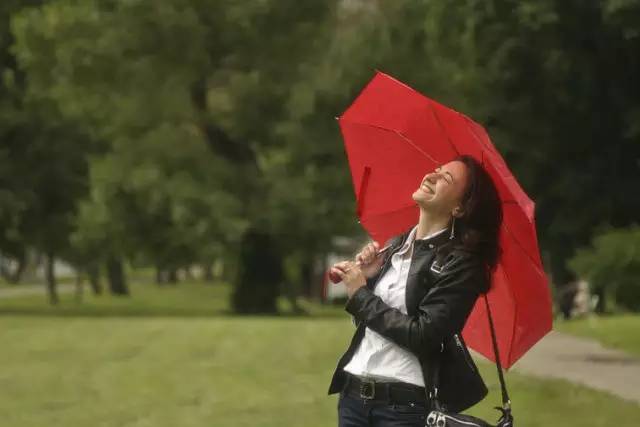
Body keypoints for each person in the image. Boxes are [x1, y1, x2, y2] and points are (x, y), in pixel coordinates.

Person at [327, 154, 503, 427]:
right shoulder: (396, 247)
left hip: (402, 409)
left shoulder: (462, 264)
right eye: (436, 169)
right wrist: (370, 279)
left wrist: (361, 294)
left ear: (460, 208)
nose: (431, 175)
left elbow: (424, 334)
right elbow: (372, 324)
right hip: (353, 399)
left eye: (445, 178)